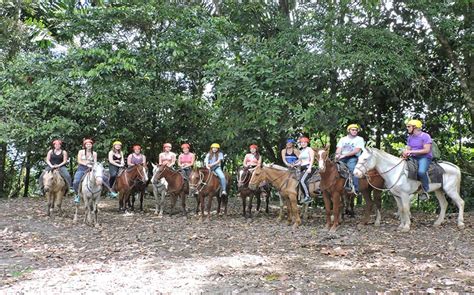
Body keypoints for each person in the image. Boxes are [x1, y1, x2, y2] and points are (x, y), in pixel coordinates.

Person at [402, 119, 433, 200]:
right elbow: (408, 148)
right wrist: (405, 153)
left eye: (409, 126)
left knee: (421, 172)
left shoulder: (425, 136)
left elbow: (426, 150)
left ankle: (425, 191)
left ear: (415, 127)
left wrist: (411, 151)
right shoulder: (410, 138)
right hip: (413, 157)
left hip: (424, 157)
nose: (407, 128)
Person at [335, 124, 365, 194]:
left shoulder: (359, 139)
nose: (355, 131)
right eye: (353, 130)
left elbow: (356, 150)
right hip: (342, 157)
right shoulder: (343, 139)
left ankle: (355, 188)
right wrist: (337, 155)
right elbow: (339, 148)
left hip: (353, 157)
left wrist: (344, 155)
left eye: (356, 130)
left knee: (352, 170)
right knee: (333, 168)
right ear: (349, 130)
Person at [73, 138, 97, 204]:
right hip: (82, 168)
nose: (89, 145)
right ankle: (77, 195)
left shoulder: (94, 153)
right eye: (87, 144)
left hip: (91, 169)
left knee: (101, 178)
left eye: (90, 144)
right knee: (76, 181)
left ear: (92, 145)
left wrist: (93, 166)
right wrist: (86, 164)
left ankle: (108, 191)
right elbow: (79, 160)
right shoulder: (81, 152)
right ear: (84, 145)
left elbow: (95, 162)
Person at [295, 137, 314, 204]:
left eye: (304, 142)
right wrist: (294, 164)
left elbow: (312, 159)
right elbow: (300, 161)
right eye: (301, 142)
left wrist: (310, 168)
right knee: (297, 180)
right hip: (302, 168)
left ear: (307, 143)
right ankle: (301, 196)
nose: (303, 144)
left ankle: (308, 196)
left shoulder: (309, 149)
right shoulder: (301, 151)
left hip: (307, 167)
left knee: (302, 180)